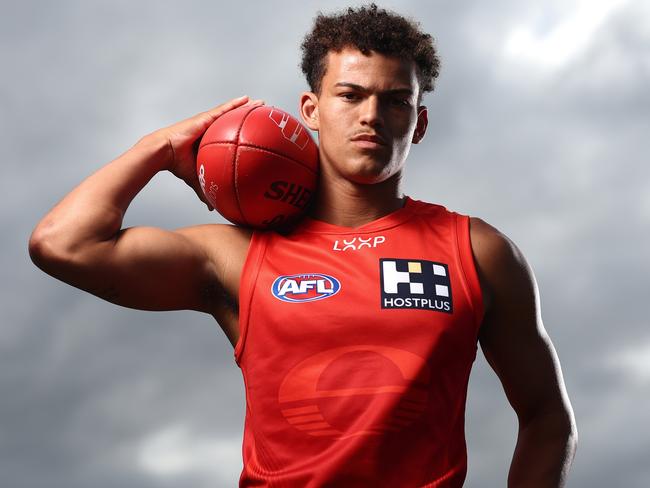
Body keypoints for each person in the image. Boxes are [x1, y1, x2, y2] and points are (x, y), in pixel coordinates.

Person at [29, 4, 577, 487]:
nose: (371, 117)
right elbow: (62, 244)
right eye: (351, 94)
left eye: (395, 101)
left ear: (420, 121)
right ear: (310, 110)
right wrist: (161, 145)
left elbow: (548, 419)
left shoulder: (476, 250)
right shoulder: (239, 254)